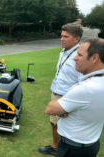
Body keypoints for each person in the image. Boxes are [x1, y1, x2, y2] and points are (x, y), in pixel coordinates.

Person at [45, 38, 104, 157]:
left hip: (72, 149)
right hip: (91, 144)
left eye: (80, 54)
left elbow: (50, 109)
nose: (74, 58)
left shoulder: (86, 88)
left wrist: (64, 107)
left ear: (94, 58)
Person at [39, 23, 83, 155]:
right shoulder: (63, 51)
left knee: (68, 127)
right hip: (56, 93)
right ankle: (55, 146)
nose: (62, 39)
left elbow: (83, 83)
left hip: (67, 97)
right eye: (61, 36)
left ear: (77, 39)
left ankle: (63, 150)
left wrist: (70, 104)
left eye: (66, 37)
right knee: (54, 122)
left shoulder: (80, 56)